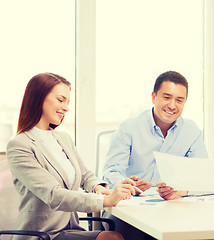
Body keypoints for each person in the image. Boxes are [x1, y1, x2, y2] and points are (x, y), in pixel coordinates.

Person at [6, 72, 138, 240]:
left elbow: (85, 175)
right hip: (43, 234)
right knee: (113, 238)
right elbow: (53, 195)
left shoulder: (63, 139)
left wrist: (99, 188)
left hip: (71, 229)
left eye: (68, 102)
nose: (67, 107)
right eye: (61, 100)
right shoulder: (20, 145)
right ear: (39, 98)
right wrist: (104, 201)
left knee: (118, 235)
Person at [102, 71, 208, 200]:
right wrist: (128, 187)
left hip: (173, 207)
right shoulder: (129, 128)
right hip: (130, 204)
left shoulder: (192, 132)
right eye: (167, 98)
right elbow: (111, 172)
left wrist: (182, 191)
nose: (172, 105)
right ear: (153, 97)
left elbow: (204, 177)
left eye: (179, 100)